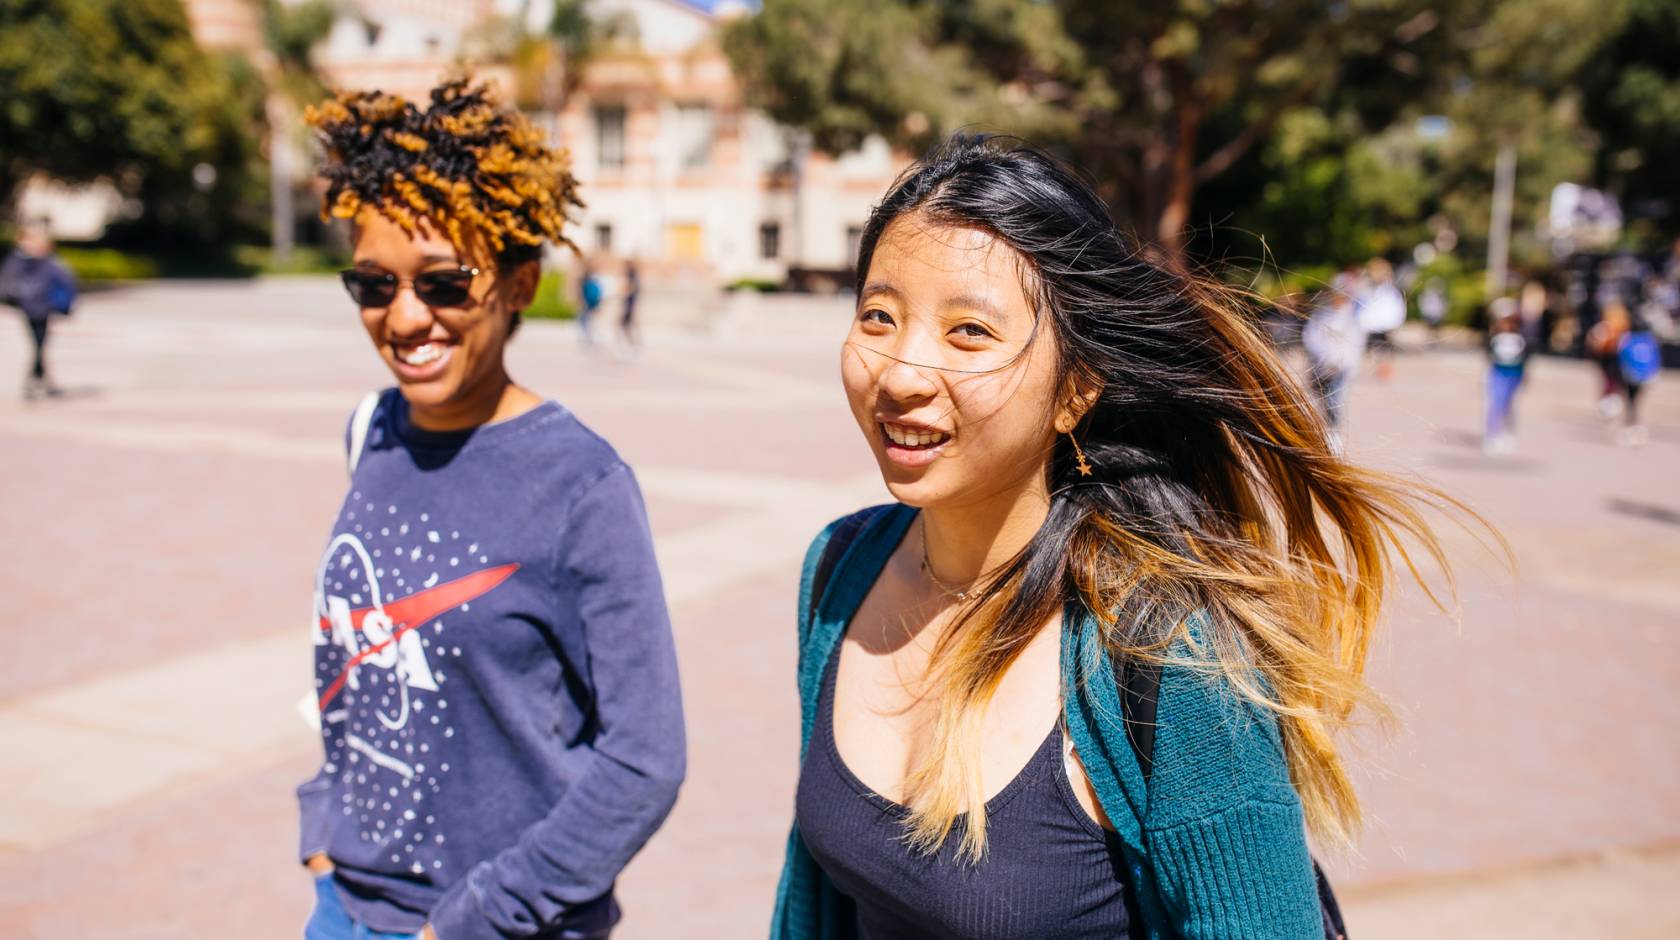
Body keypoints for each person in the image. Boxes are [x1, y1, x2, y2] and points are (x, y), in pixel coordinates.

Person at [772, 135, 1465, 940]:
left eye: (969, 333)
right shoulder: (840, 568)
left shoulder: (1167, 652)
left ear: (1076, 390)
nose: (900, 373)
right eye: (879, 317)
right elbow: (813, 895)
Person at [297, 76, 685, 940]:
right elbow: (356, 660)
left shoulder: (582, 487)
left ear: (516, 284)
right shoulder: (373, 431)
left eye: (442, 283)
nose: (404, 317)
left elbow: (645, 761)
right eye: (372, 284)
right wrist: (320, 826)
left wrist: (478, 917)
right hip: (344, 911)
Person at [0, 218, 76, 399]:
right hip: (29, 307)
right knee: (38, 346)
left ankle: (38, 380)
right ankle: (36, 380)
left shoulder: (47, 260)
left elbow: (65, 279)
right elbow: (9, 281)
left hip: (44, 307)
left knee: (39, 345)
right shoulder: (18, 260)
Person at [1301, 276, 1365, 453]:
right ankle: (1319, 433)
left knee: (1334, 402)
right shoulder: (1322, 315)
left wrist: (1343, 363)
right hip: (1321, 367)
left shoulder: (1353, 318)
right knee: (1318, 400)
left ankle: (1333, 435)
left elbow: (1355, 345)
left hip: (1341, 369)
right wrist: (1324, 357)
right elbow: (1311, 337)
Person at [1483, 298, 1530, 455]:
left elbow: (1525, 359)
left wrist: (1525, 376)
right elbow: (1489, 357)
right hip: (1498, 373)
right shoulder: (1494, 338)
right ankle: (1492, 435)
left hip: (1514, 374)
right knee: (1496, 403)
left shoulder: (1520, 339)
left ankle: (1508, 432)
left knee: (1509, 405)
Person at [1355, 258, 1405, 380]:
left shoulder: (1389, 290)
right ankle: (1381, 367)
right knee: (1378, 347)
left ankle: (1384, 368)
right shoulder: (1368, 289)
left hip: (1384, 324)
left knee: (1383, 347)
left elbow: (1395, 307)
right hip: (1372, 324)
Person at [578, 260, 604, 348]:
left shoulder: (587, 280)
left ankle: (591, 339)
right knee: (589, 322)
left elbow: (584, 293)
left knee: (587, 322)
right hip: (592, 304)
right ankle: (592, 339)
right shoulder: (595, 280)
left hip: (589, 304)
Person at [618, 258, 641, 358]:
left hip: (629, 306)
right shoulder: (632, 276)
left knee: (626, 326)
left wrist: (623, 291)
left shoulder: (632, 276)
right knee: (626, 326)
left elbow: (631, 289)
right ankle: (631, 347)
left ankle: (633, 347)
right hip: (628, 305)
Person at [1417, 276, 1448, 343]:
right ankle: (1431, 339)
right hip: (1429, 313)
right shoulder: (1427, 295)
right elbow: (1424, 304)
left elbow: (1443, 305)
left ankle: (1435, 339)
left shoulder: (1440, 296)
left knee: (1436, 329)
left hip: (1436, 314)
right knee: (1430, 328)